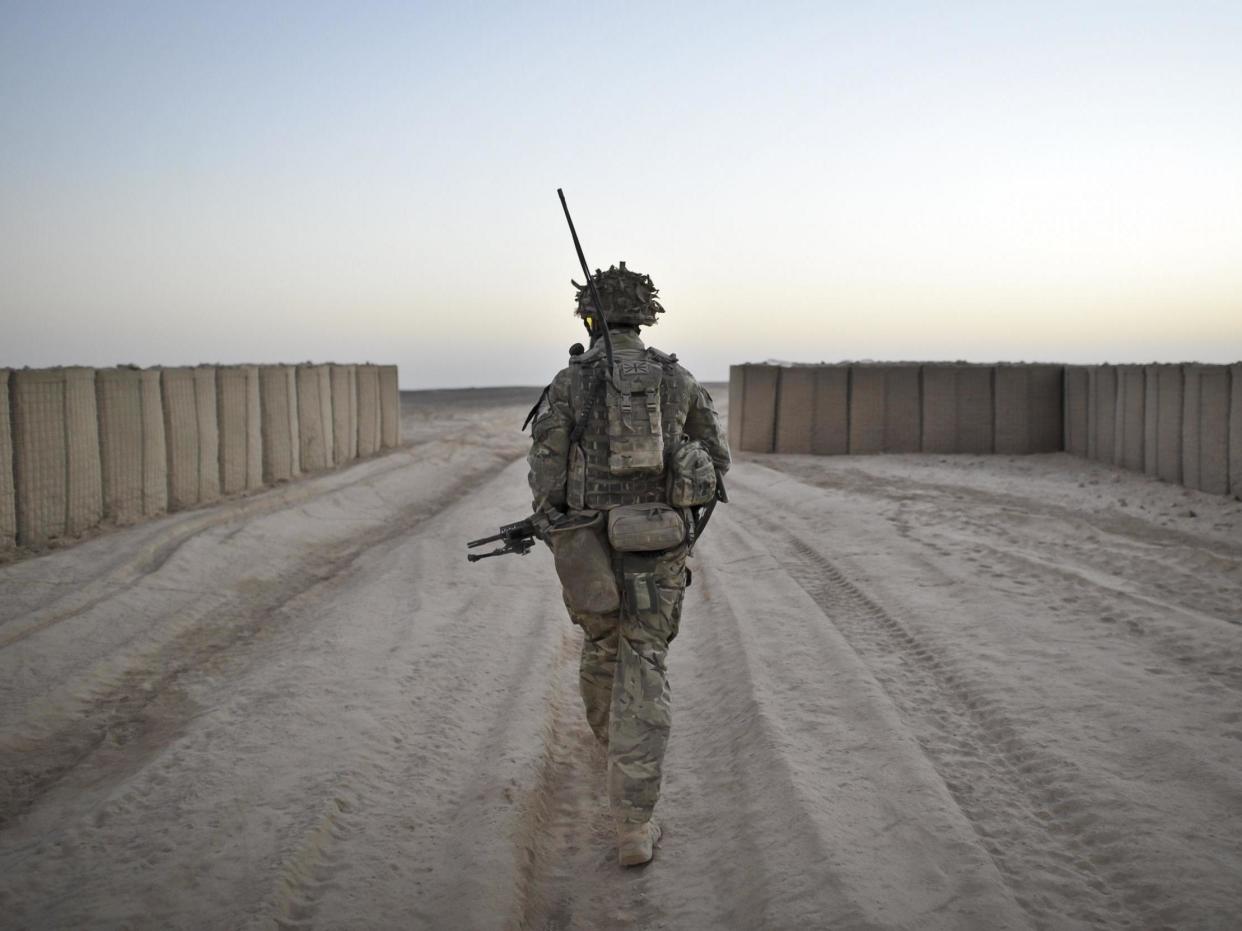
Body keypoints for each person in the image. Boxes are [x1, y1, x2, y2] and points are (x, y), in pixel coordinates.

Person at [526, 262, 730, 866]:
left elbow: (546, 472)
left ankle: (617, 759)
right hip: (658, 544)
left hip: (588, 543)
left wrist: (552, 523)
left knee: (603, 651)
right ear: (646, 315)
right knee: (645, 661)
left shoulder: (569, 382)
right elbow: (716, 461)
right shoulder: (678, 379)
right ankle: (634, 822)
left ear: (589, 317)